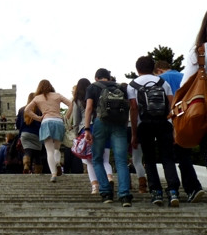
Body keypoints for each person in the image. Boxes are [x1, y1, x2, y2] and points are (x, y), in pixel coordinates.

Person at [128, 56, 181, 207]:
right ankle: (173, 192)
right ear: (153, 68)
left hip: (144, 124)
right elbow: (172, 105)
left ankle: (156, 192)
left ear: (137, 69)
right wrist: (174, 128)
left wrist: (134, 133)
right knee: (168, 158)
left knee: (149, 159)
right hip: (164, 123)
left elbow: (133, 109)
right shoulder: (163, 82)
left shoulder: (132, 85)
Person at [156, 59, 205, 203]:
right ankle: (193, 187)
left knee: (179, 155)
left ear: (159, 70)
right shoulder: (185, 75)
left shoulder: (161, 79)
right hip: (193, 117)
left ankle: (193, 187)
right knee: (186, 154)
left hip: (175, 121)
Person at [84, 68, 133, 207]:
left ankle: (106, 193)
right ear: (109, 77)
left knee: (97, 158)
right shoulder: (120, 87)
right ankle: (125, 196)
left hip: (100, 122)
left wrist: (87, 129)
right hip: (119, 124)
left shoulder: (92, 87)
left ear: (96, 77)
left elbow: (89, 108)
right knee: (121, 161)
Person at [69, 78, 112, 194]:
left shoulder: (77, 100)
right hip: (103, 126)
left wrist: (76, 133)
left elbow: (76, 120)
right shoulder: (97, 95)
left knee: (89, 161)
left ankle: (95, 186)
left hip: (87, 129)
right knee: (105, 159)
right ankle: (109, 177)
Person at [25, 80, 72, 182]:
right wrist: (66, 116)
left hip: (46, 122)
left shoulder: (37, 98)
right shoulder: (57, 95)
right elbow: (71, 104)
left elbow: (27, 110)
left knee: (49, 151)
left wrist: (38, 117)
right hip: (58, 122)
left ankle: (53, 174)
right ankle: (58, 162)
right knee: (56, 148)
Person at [16, 92, 43, 175]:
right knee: (37, 154)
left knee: (27, 151)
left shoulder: (21, 110)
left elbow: (17, 125)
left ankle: (26, 164)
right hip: (36, 134)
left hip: (25, 134)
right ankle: (38, 172)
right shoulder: (40, 109)